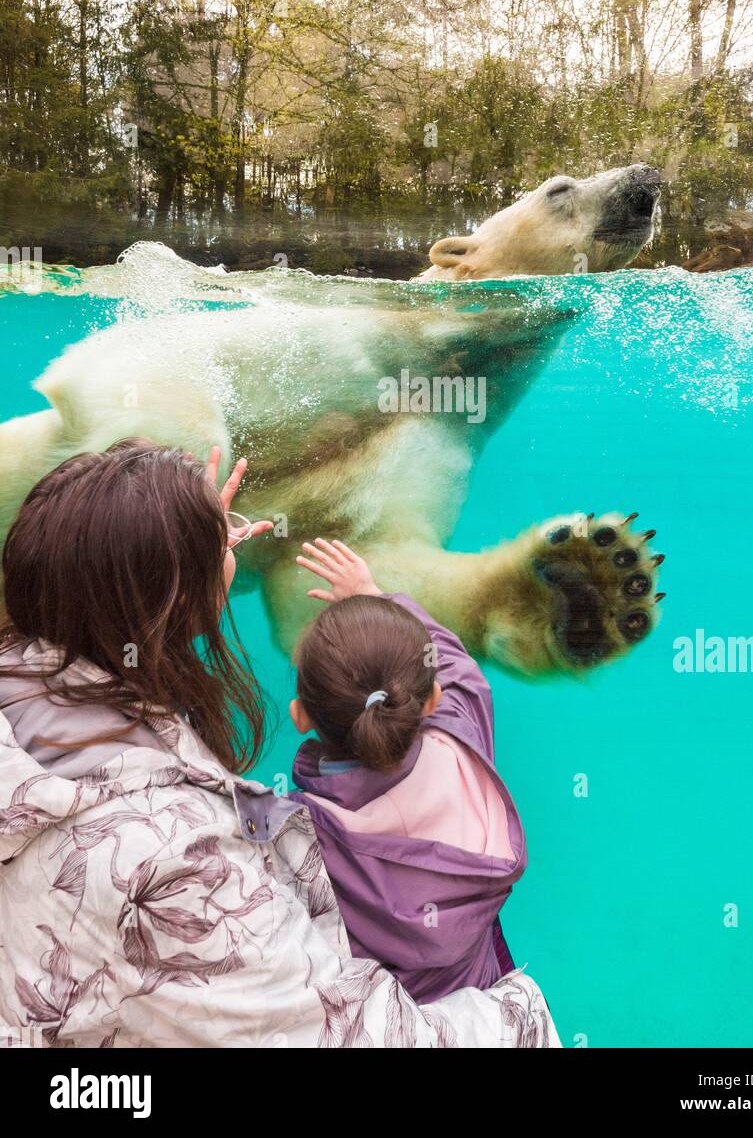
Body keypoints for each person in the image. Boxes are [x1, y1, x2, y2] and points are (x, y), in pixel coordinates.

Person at [0, 439, 558, 1048]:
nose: (233, 541)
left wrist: (179, 538)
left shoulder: (23, 685)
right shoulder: (181, 860)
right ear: (429, 700)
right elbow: (345, 1038)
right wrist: (519, 1012)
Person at [235, 539, 525, 1006]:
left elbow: (220, 814)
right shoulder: (462, 748)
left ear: (299, 716)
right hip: (479, 1000)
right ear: (431, 700)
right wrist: (373, 595)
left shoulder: (293, 828)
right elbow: (456, 665)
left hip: (386, 1021)